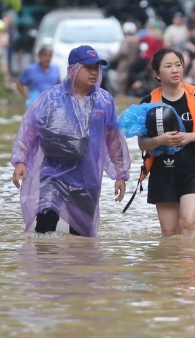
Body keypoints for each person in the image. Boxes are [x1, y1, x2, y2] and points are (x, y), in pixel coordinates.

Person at [10, 46, 129, 237]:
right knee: (45, 228)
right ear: (73, 69)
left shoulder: (104, 101)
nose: (94, 72)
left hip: (87, 178)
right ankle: (46, 265)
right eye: (88, 67)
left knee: (81, 237)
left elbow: (113, 140)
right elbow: (29, 130)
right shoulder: (50, 98)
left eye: (97, 68)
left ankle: (75, 267)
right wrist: (21, 161)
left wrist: (120, 174)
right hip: (53, 175)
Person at [138, 49, 195, 236]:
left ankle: (191, 264)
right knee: (169, 232)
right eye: (168, 66)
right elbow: (142, 144)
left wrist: (192, 136)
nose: (175, 70)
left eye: (178, 65)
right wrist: (160, 140)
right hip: (163, 172)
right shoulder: (148, 103)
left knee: (189, 221)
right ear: (156, 73)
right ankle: (174, 265)